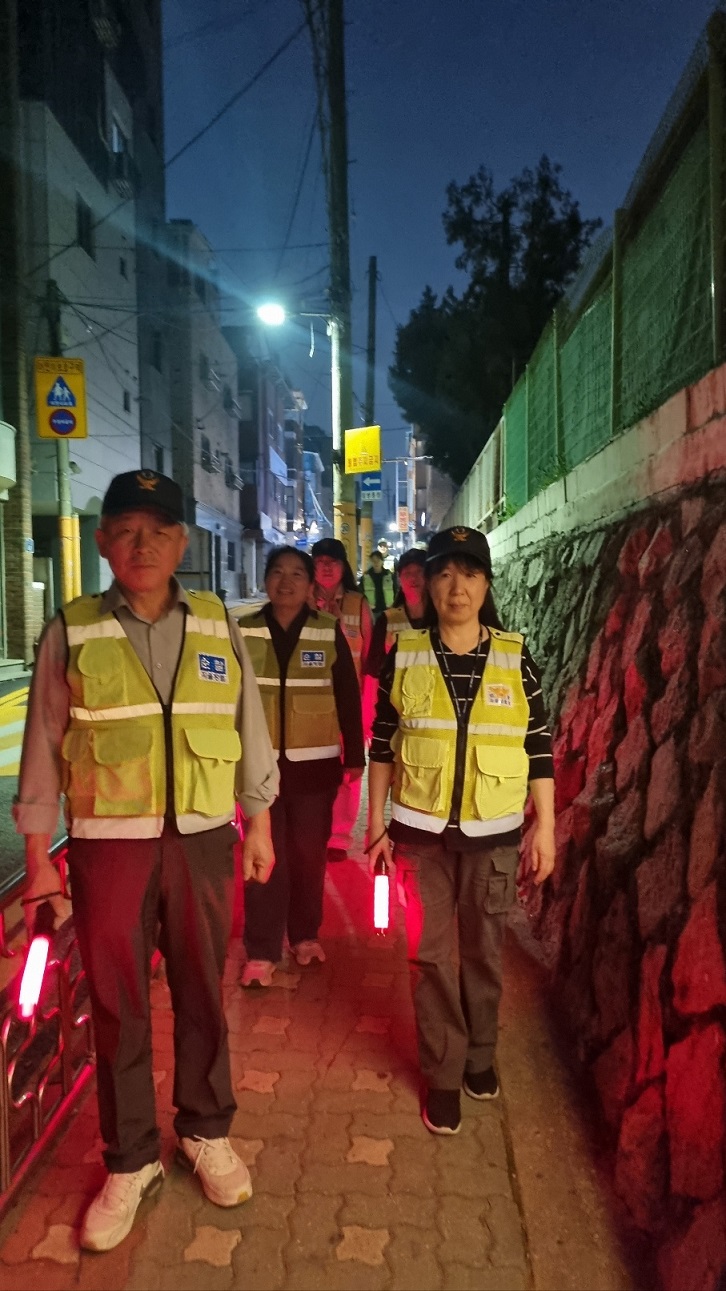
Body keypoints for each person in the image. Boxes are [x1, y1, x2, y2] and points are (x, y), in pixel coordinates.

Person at [14, 470, 279, 1253]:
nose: (143, 544)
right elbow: (43, 747)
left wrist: (258, 823)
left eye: (159, 530)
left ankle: (204, 1130)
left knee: (202, 989)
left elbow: (248, 722)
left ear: (181, 542)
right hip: (109, 849)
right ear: (102, 541)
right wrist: (38, 858)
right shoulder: (72, 629)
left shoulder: (216, 623)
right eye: (126, 529)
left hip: (203, 840)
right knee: (119, 1005)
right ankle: (130, 1160)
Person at [367, 525, 555, 1136]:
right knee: (430, 958)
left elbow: (539, 747)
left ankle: (480, 1057)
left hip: (494, 838)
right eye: (444, 573)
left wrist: (545, 828)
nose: (457, 586)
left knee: (484, 955)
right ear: (427, 584)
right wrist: (375, 826)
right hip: (418, 836)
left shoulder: (516, 658)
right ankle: (444, 1073)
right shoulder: (404, 654)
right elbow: (381, 744)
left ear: (486, 584)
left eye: (470, 573)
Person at [237, 548, 365, 985]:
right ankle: (261, 950)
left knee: (309, 857)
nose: (286, 581)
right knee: (263, 857)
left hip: (315, 769)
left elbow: (347, 694)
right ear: (265, 580)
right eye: (277, 572)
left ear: (311, 585)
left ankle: (305, 935)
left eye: (296, 574)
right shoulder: (244, 631)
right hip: (259, 770)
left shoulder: (327, 631)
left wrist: (354, 755)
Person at [311, 537, 373, 862]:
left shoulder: (357, 604)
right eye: (320, 561)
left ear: (343, 567)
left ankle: (338, 837)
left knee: (350, 770)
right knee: (314, 768)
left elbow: (370, 655)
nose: (325, 567)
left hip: (351, 703)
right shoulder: (302, 599)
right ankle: (313, 830)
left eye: (332, 561)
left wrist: (369, 709)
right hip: (310, 702)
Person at [364, 546, 428, 682]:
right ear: (399, 579)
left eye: (419, 571)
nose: (413, 578)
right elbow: (373, 673)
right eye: (407, 573)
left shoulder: (444, 618)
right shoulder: (387, 621)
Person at [360, 548, 395, 620]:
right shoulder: (366, 577)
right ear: (371, 562)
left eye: (378, 560)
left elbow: (395, 589)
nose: (376, 563)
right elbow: (361, 592)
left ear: (382, 561)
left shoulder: (389, 575)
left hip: (387, 609)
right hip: (372, 611)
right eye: (373, 561)